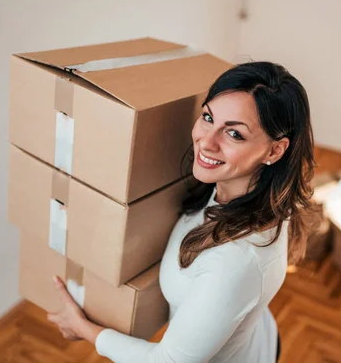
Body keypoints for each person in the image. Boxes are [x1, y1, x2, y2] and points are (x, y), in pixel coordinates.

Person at [47, 61, 315, 362]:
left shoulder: (236, 260)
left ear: (274, 151)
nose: (206, 142)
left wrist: (83, 328)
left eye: (234, 134)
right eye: (208, 117)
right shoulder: (259, 191)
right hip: (255, 335)